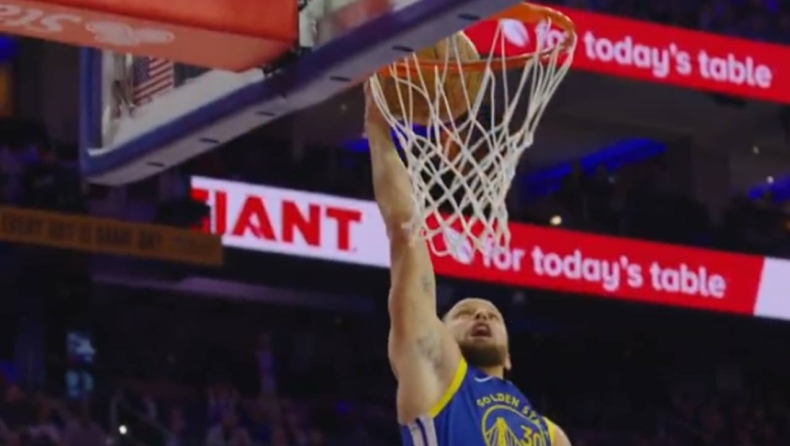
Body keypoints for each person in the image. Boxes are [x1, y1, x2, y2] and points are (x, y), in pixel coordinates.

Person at [364, 83, 572, 446]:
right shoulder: (436, 369)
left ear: (509, 356)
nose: (481, 316)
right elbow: (405, 231)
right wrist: (377, 127)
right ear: (440, 333)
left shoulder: (549, 433)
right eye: (463, 313)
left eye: (493, 316)